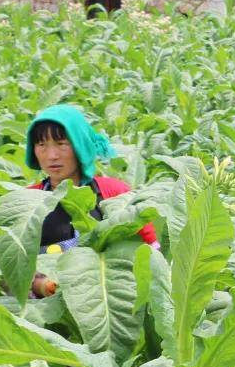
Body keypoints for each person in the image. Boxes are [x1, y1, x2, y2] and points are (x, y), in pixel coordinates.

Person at [25, 104, 158, 297]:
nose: (51, 155)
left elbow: (153, 255)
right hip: (46, 315)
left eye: (62, 144)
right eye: (42, 145)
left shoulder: (115, 193)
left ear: (80, 146)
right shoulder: (27, 201)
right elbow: (10, 270)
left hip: (112, 300)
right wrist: (41, 285)